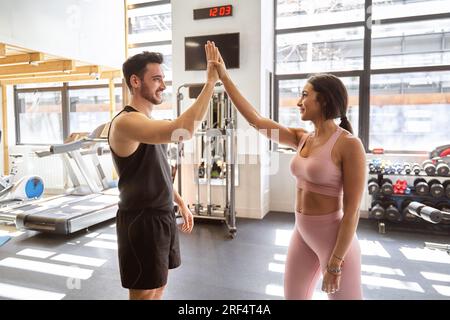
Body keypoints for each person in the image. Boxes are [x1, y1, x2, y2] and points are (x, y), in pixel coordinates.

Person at [211, 52, 366, 300]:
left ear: (324, 100)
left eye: (305, 94)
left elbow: (353, 210)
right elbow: (256, 121)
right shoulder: (301, 137)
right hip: (302, 232)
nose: (298, 101)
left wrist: (336, 262)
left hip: (335, 239)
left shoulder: (349, 145)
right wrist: (225, 78)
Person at [108, 41, 220, 300]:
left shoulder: (147, 123)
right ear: (135, 81)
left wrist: (179, 201)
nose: (163, 85)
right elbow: (185, 130)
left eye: (163, 79)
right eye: (156, 79)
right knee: (144, 293)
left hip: (161, 216)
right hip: (141, 220)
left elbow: (156, 172)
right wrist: (210, 83)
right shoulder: (127, 122)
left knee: (158, 287)